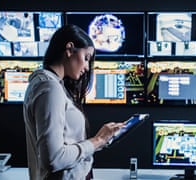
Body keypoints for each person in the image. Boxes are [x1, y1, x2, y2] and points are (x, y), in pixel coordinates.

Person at [23, 24, 124, 180]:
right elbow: (54, 159)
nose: (87, 67)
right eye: (86, 58)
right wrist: (98, 140)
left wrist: (101, 140)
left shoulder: (50, 85)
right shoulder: (50, 88)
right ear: (69, 49)